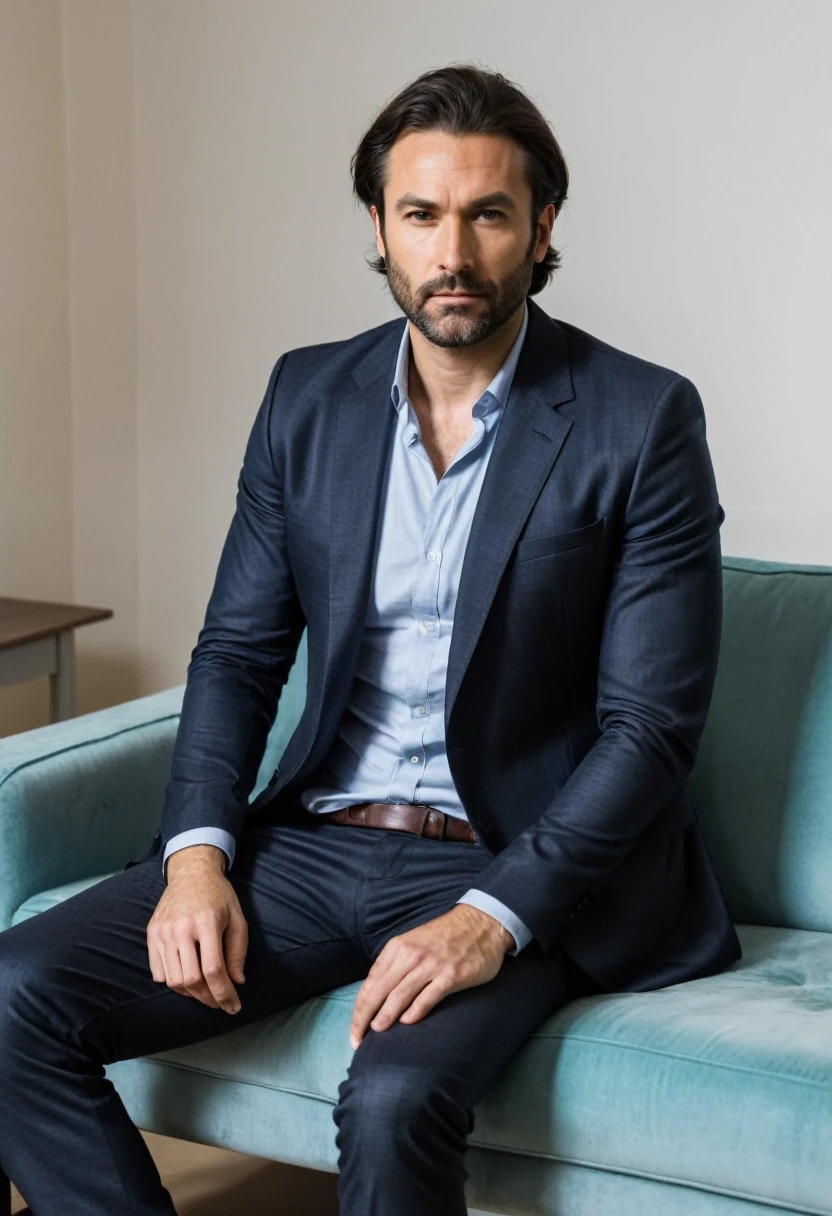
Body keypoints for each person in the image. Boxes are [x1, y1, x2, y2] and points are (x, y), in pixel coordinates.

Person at [0, 63, 742, 1215]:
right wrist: (195, 856)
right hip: (310, 846)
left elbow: (647, 731)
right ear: (380, 229)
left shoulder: (639, 419)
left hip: (506, 855)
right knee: (11, 996)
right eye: (422, 214)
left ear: (542, 227)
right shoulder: (306, 398)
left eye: (489, 214)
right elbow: (238, 654)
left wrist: (487, 920)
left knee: (395, 1100)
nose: (454, 251)